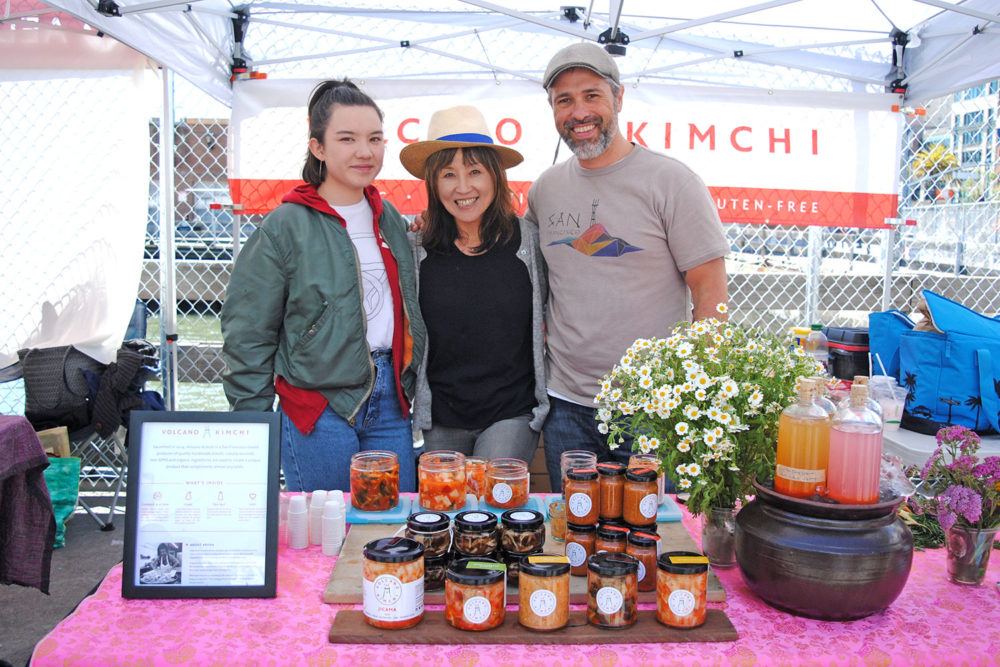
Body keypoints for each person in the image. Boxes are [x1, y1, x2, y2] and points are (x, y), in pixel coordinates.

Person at [527, 43, 730, 491]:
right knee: (576, 535)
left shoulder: (672, 181)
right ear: (553, 110)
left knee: (650, 538)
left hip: (653, 407)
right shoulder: (545, 189)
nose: (579, 112)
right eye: (564, 100)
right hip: (567, 404)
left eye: (591, 95)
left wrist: (694, 392)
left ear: (619, 99)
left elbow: (711, 295)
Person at [221, 79, 426, 493]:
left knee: (391, 533)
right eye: (347, 139)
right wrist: (252, 422)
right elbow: (247, 331)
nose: (364, 151)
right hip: (319, 406)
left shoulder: (392, 222)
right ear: (318, 147)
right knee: (328, 538)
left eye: (374, 139)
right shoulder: (285, 226)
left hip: (390, 401)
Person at [399, 106, 548, 463]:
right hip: (441, 417)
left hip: (511, 412)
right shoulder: (416, 247)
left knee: (485, 505)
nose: (463, 188)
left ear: (496, 177)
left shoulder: (529, 241)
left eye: (475, 171)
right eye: (448, 174)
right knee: (443, 509)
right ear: (434, 183)